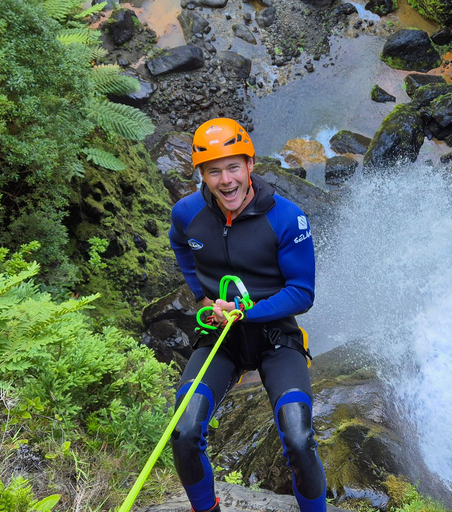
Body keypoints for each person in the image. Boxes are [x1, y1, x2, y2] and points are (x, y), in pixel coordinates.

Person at [168, 118, 327, 512]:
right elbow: (182, 247)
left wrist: (245, 312)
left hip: (275, 336)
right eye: (214, 171)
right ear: (202, 175)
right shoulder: (186, 214)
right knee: (185, 430)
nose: (226, 181)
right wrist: (203, 297)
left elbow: (302, 293)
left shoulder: (287, 218)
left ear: (251, 164)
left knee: (298, 435)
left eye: (233, 167)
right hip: (220, 337)